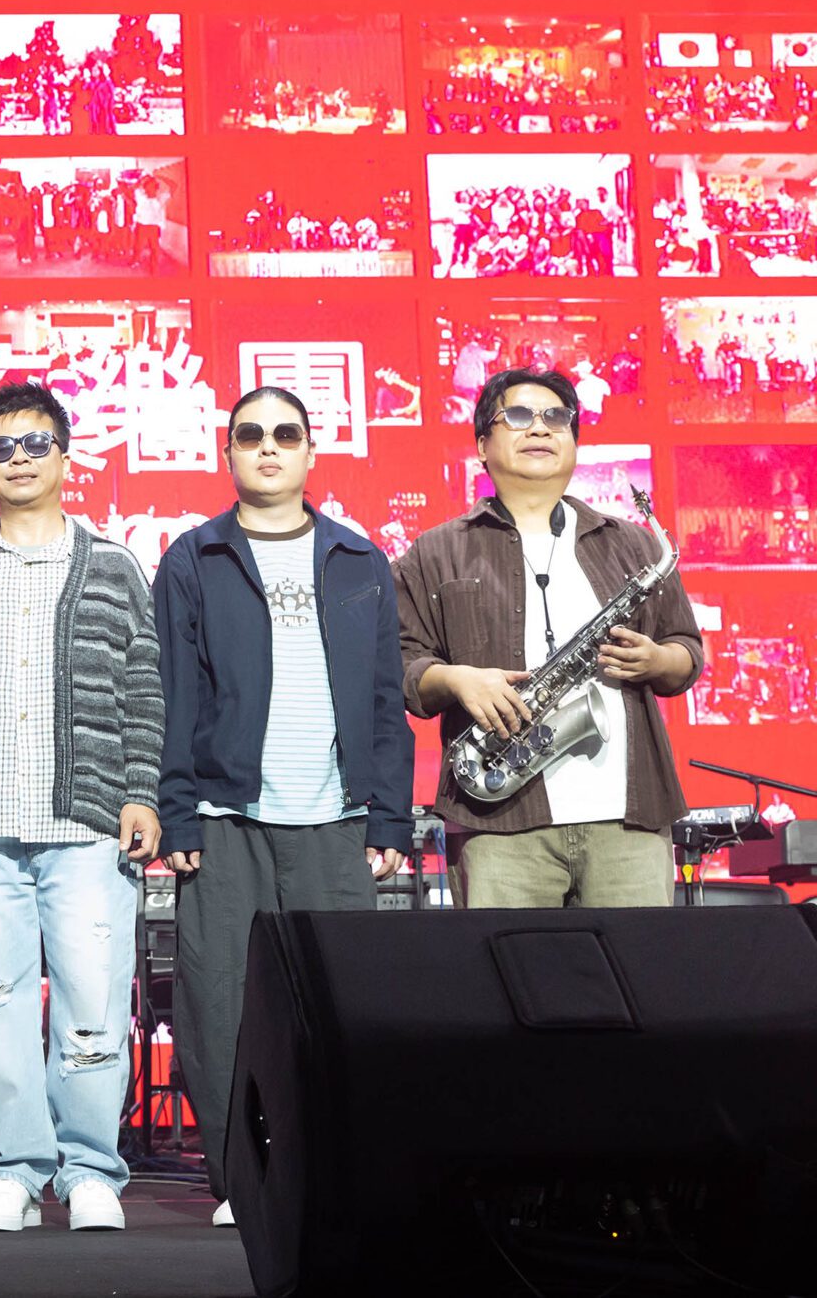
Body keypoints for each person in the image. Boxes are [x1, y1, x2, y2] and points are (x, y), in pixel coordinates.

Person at [154, 386, 413, 1227]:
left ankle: (334, 1171)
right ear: (228, 452)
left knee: (342, 1005)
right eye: (250, 434)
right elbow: (174, 694)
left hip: (337, 817)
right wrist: (177, 810)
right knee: (220, 1004)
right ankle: (244, 1179)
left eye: (285, 433)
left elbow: (385, 698)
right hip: (225, 819)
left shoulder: (360, 559)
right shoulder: (194, 558)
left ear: (310, 452)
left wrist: (389, 814)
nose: (268, 446)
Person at [0, 382, 163, 1233]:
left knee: (93, 1007)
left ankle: (90, 1169)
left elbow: (144, 687)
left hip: (88, 829)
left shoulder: (114, 565)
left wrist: (140, 790)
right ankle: (11, 1170)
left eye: (35, 442)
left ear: (65, 454)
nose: (18, 458)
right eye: (1, 446)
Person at [395, 367, 703, 908]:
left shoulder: (635, 545)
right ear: (482, 445)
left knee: (636, 965)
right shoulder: (435, 551)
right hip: (498, 821)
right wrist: (457, 679)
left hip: (629, 818)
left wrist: (659, 659)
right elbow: (401, 664)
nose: (540, 428)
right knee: (506, 965)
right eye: (518, 416)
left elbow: (688, 652)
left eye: (556, 418)